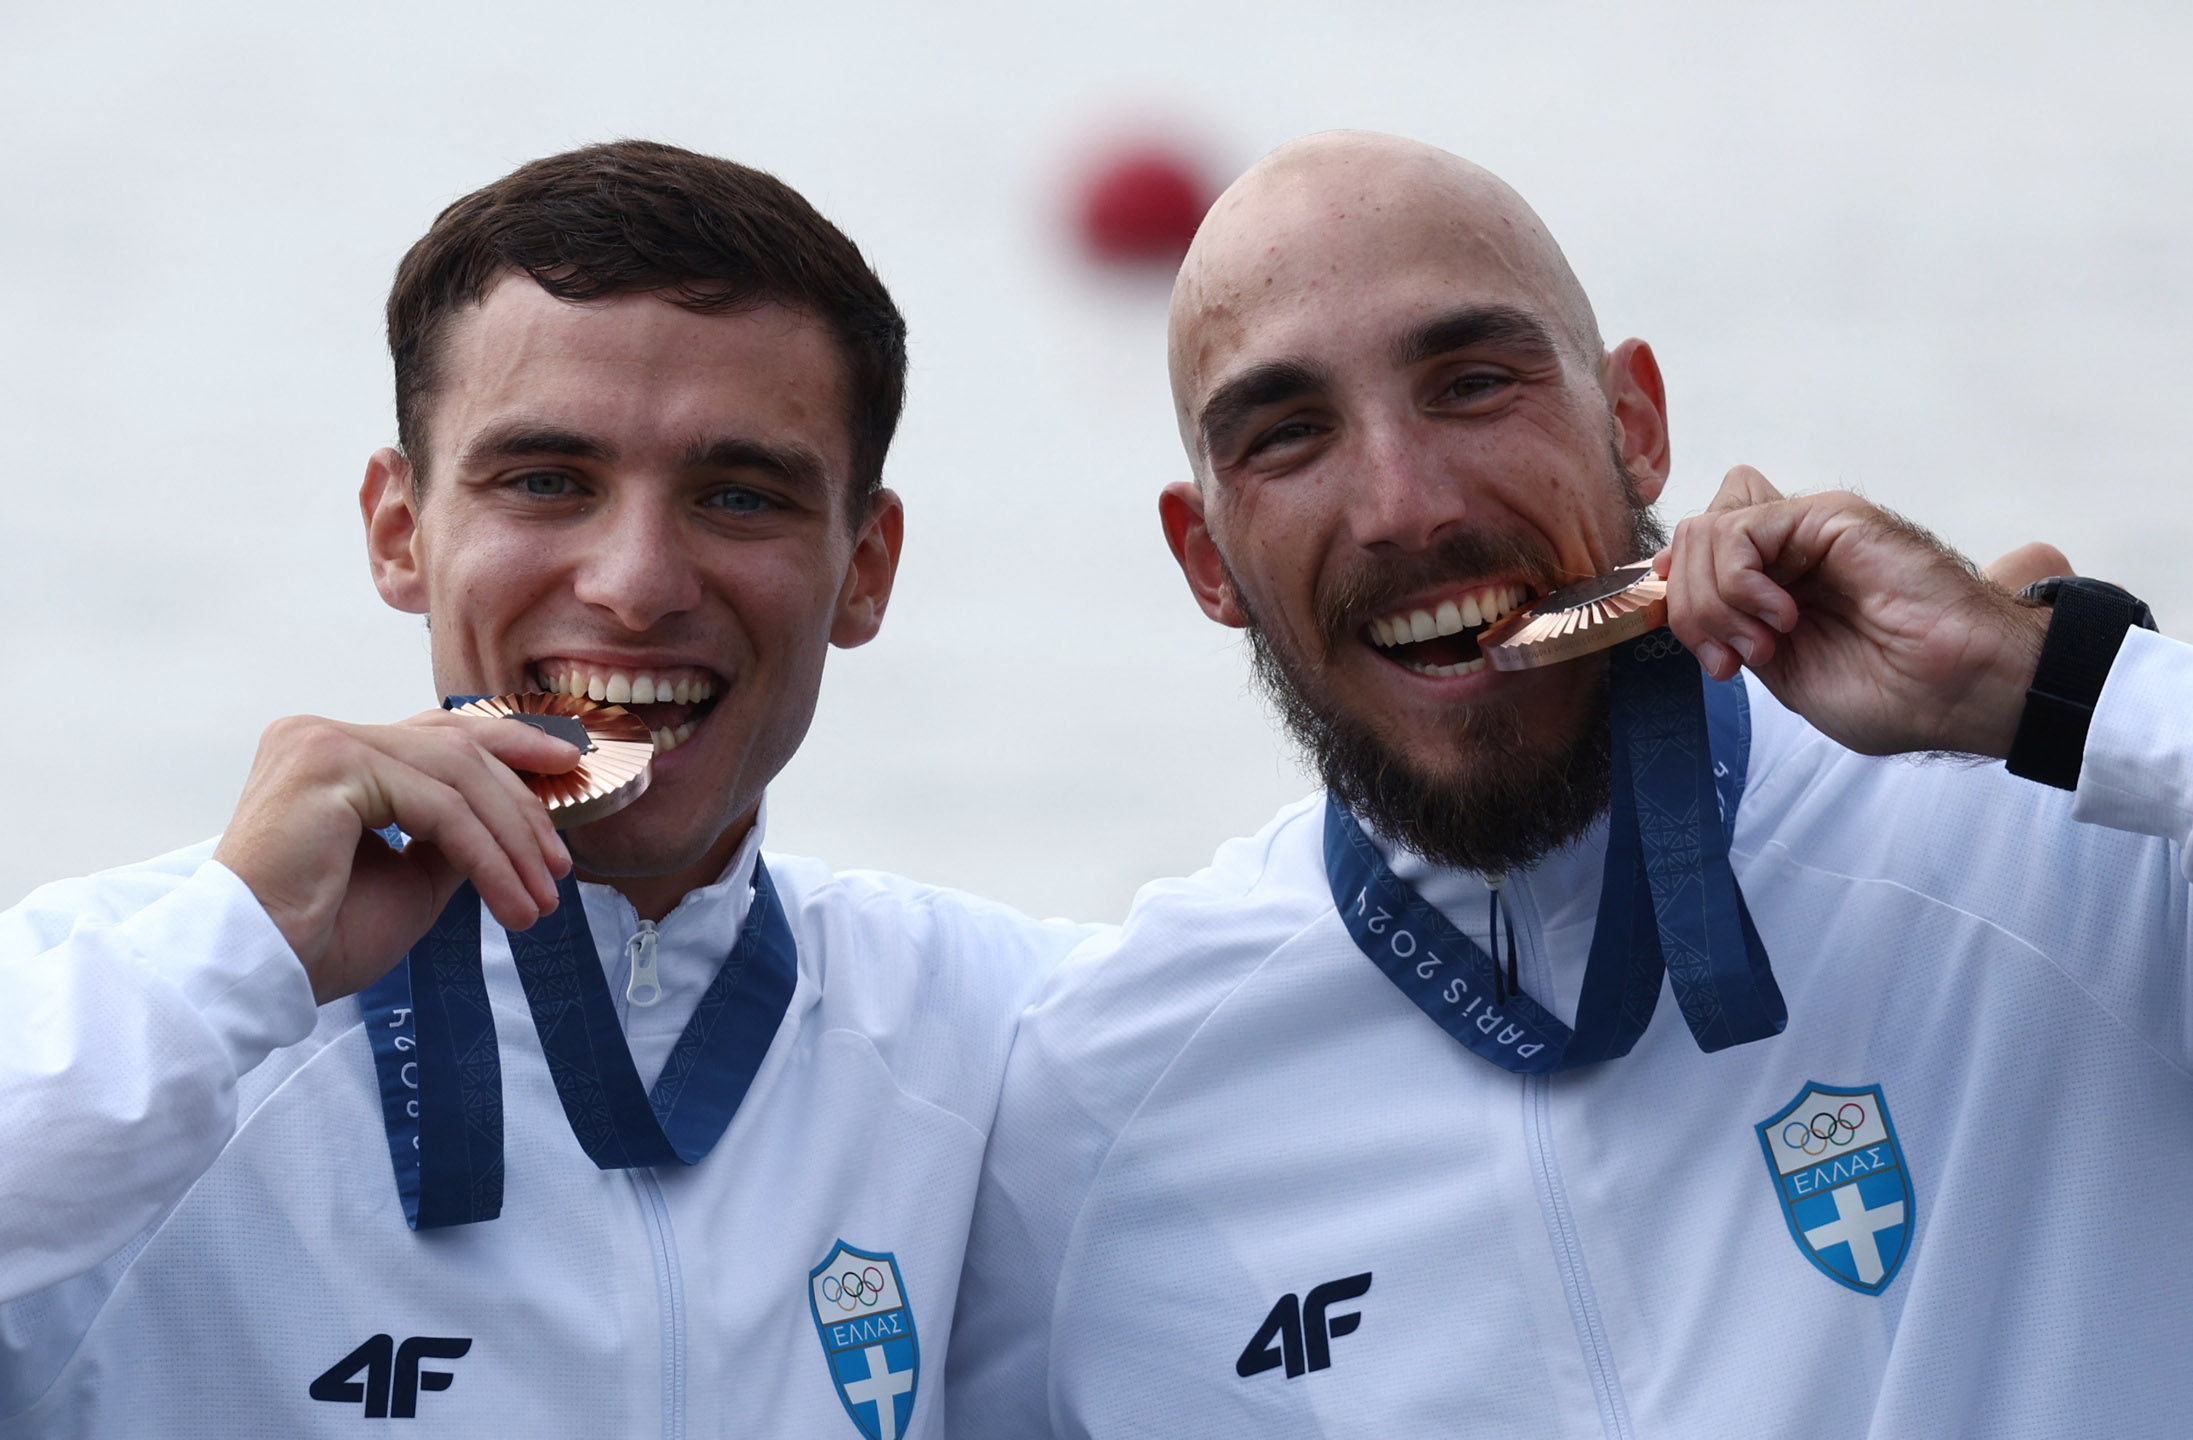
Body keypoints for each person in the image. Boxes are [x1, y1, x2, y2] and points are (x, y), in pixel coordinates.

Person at [947, 131, 2193, 1437]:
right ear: (1206, 559)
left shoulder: (2054, 843)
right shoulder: (1100, 1102)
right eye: (1290, 434)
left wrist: (2036, 685)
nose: (1404, 505)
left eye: (1472, 385)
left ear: (1634, 427)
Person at [0, 142, 1094, 1437]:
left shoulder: (1011, 1035)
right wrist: (236, 954)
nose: (636, 585)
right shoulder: (106, 1001)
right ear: (399, 532)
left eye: (739, 497)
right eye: (545, 482)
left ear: (864, 569)